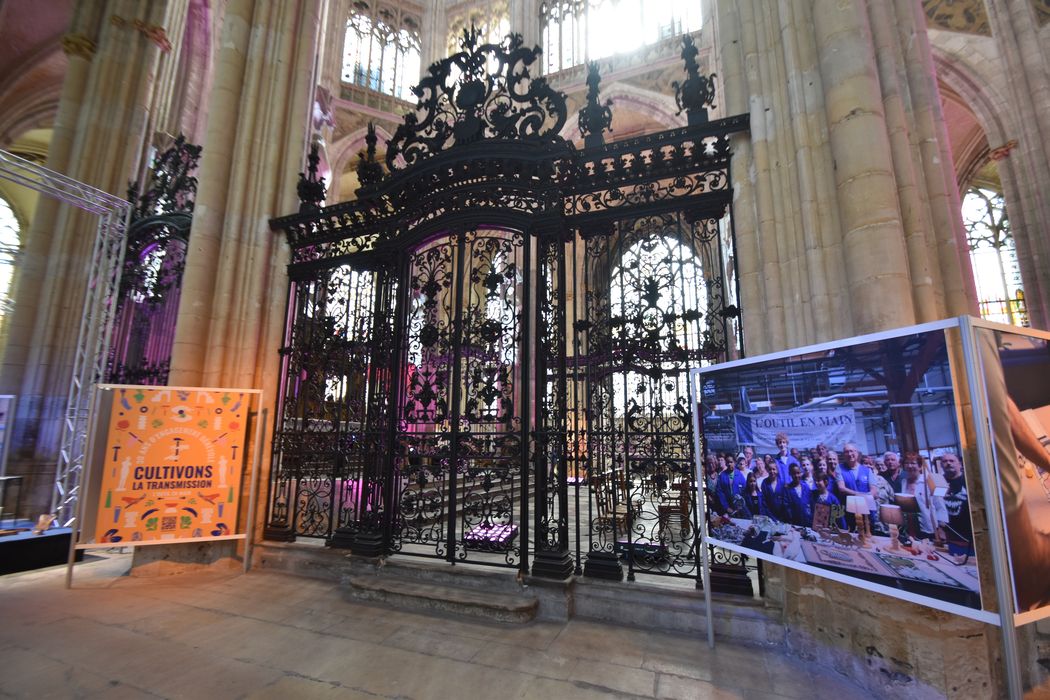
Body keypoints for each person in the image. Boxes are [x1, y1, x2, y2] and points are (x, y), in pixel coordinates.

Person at [900, 452, 948, 540]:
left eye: (913, 463)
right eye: (906, 463)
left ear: (920, 466)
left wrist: (941, 528)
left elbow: (940, 506)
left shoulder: (930, 481)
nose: (909, 466)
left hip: (930, 529)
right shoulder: (903, 482)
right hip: (910, 529)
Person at [938, 451, 973, 554]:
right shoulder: (939, 482)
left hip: (968, 538)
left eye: (952, 461)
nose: (948, 463)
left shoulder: (968, 481)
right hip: (949, 539)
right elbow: (937, 505)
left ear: (960, 464)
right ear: (941, 465)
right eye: (945, 461)